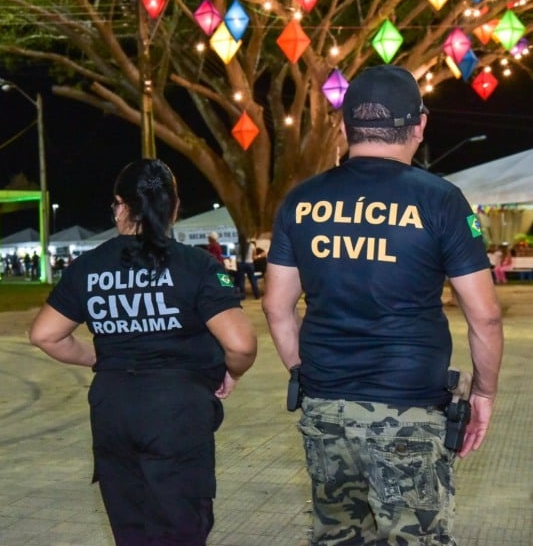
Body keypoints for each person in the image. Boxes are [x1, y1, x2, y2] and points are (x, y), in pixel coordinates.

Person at [262, 65, 503, 546]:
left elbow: (275, 306)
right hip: (409, 408)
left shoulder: (301, 201)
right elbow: (486, 315)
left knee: (339, 535)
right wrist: (485, 392)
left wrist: (306, 374)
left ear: (345, 126)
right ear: (419, 125)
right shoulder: (441, 201)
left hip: (326, 408)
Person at [29, 159, 257, 546]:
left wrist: (99, 358)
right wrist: (232, 372)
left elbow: (45, 335)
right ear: (173, 207)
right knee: (181, 528)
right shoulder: (196, 265)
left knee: (130, 528)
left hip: (113, 410)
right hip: (177, 411)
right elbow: (241, 344)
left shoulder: (88, 267)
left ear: (120, 206)